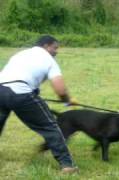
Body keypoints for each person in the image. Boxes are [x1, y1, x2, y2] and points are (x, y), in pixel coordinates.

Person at [0, 35, 78, 173]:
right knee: (51, 127)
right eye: (55, 47)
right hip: (21, 92)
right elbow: (60, 89)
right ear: (46, 46)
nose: (56, 51)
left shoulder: (21, 54)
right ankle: (67, 165)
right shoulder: (49, 60)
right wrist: (67, 100)